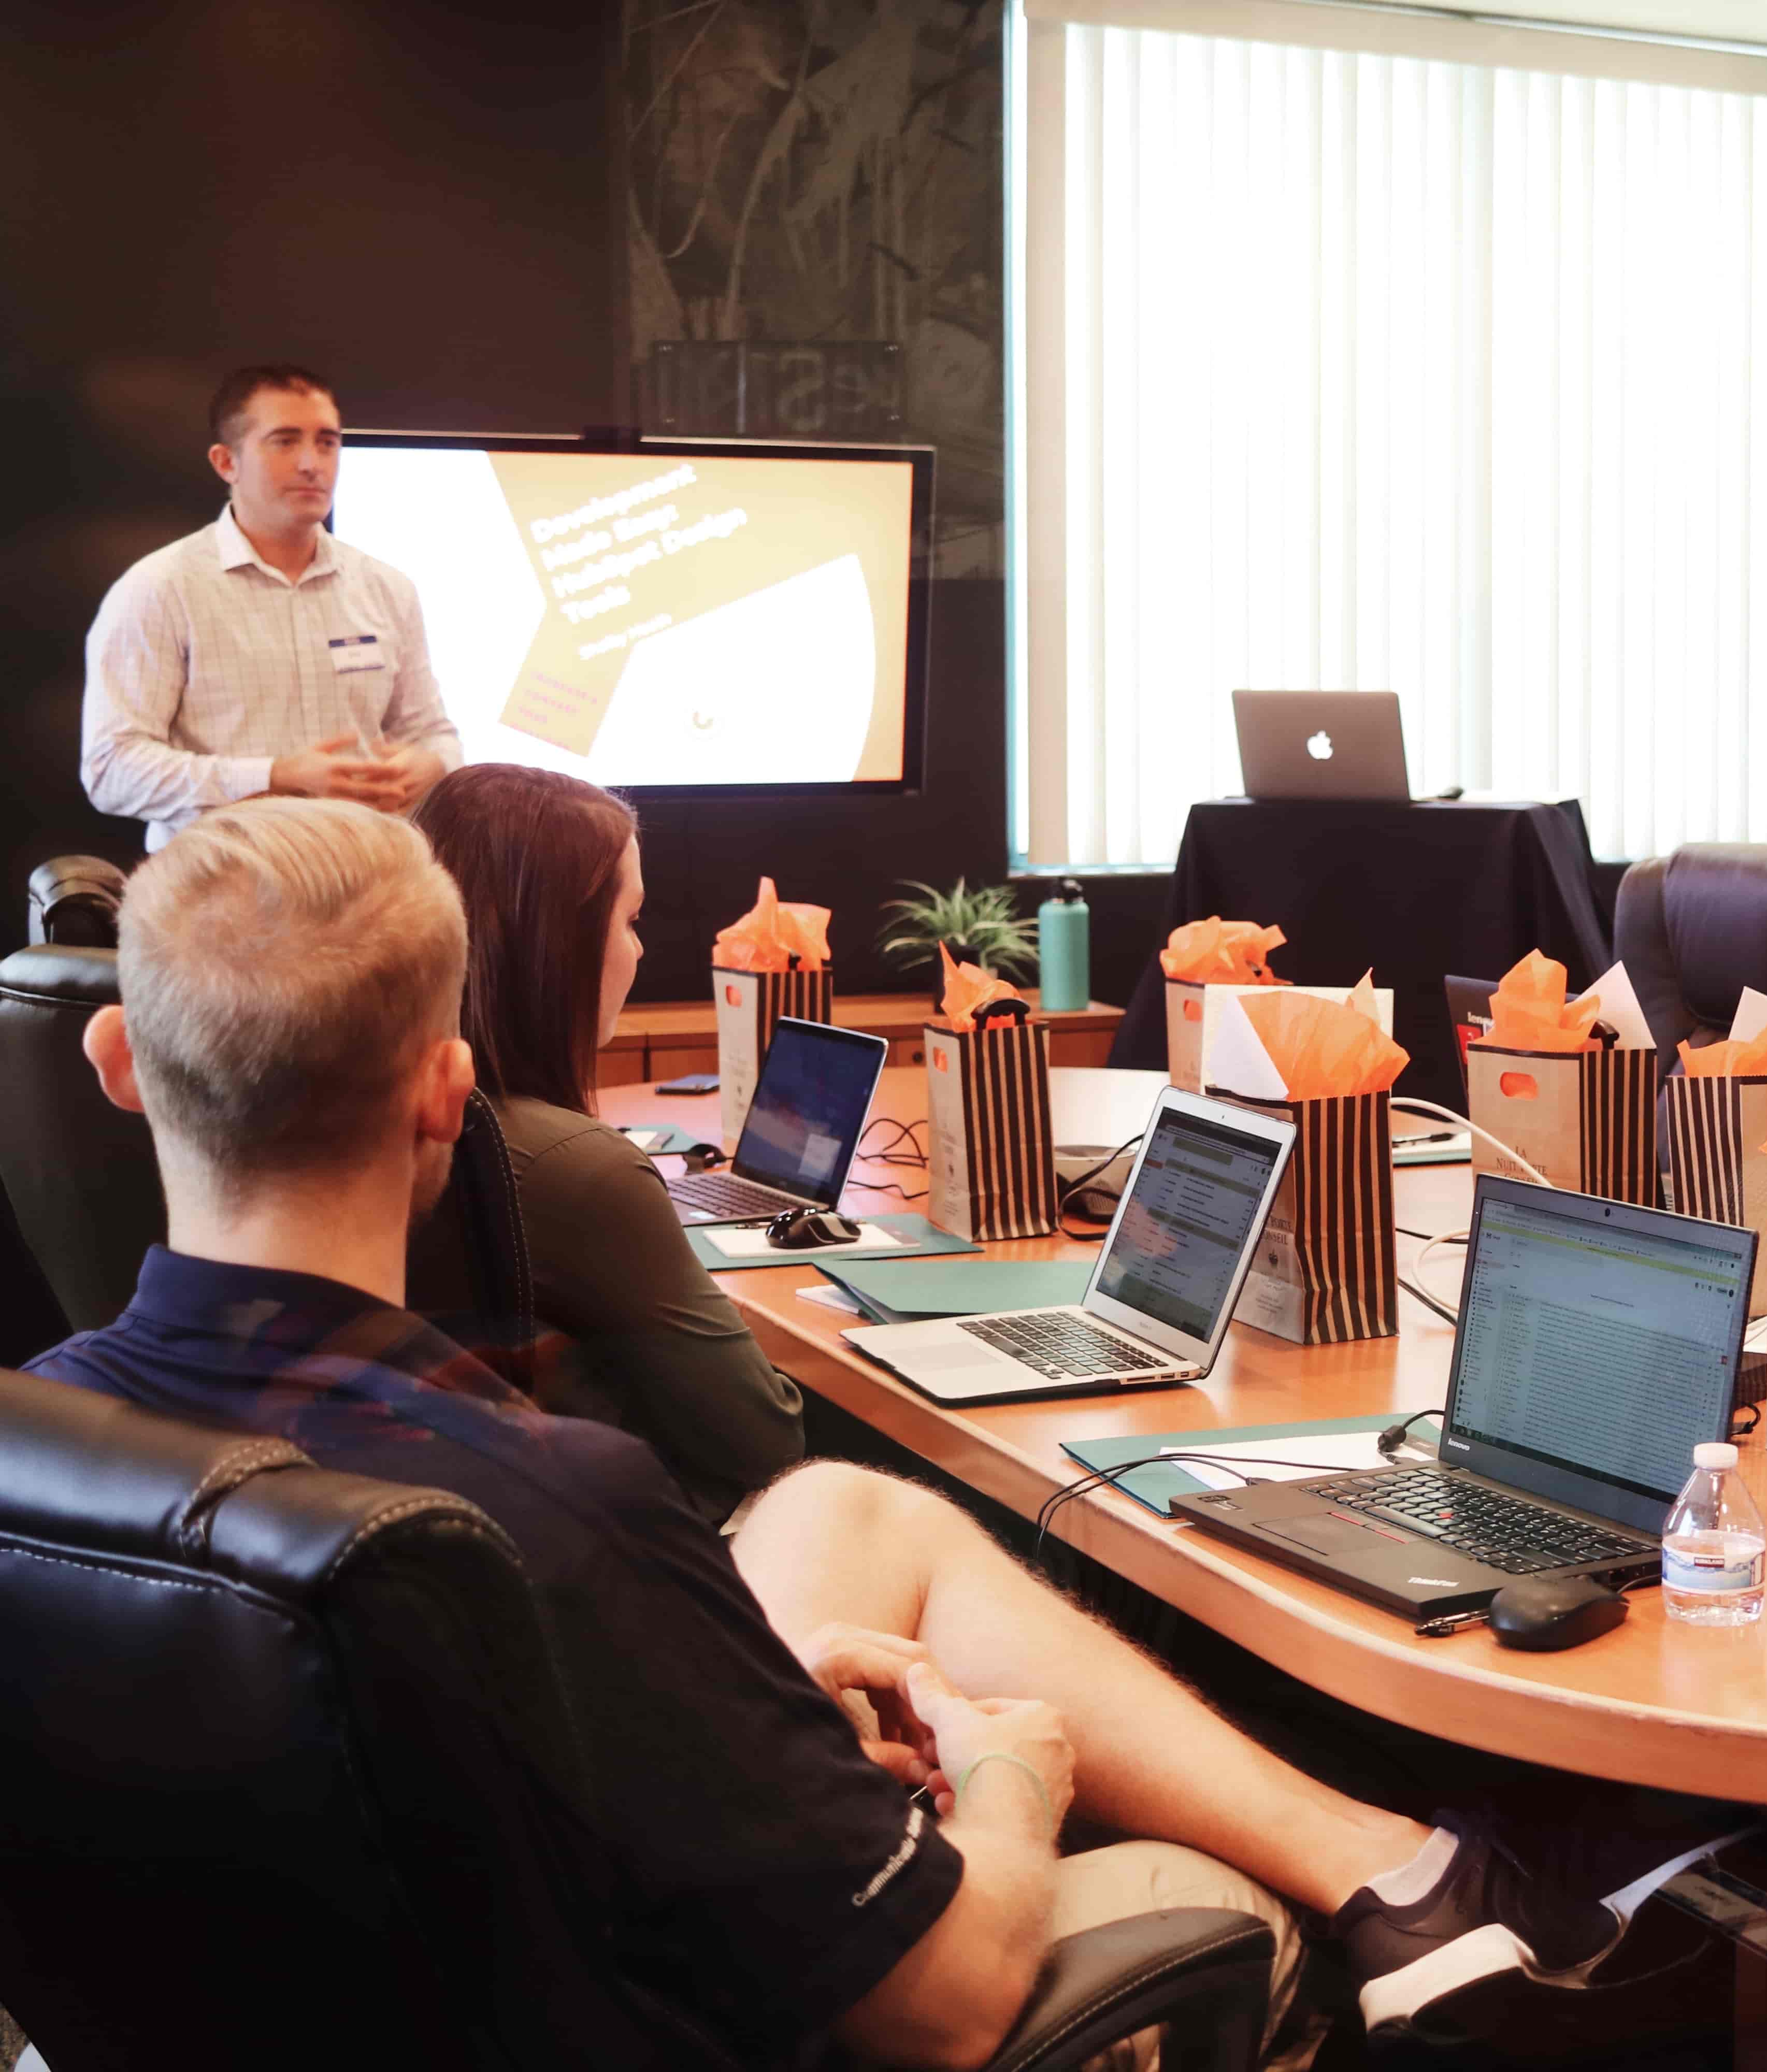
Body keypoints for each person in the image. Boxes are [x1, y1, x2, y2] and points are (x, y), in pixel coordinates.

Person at [32, 798, 1626, 2067]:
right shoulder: (549, 1508)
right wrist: (1010, 1773)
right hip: (725, 2014)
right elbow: (930, 2007)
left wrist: (742, 1709)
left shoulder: (47, 1446)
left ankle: (1401, 1863)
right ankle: (1390, 1889)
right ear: (446, 1092)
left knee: (842, 1509)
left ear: (117, 1064)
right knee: (1209, 1908)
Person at [409, 762, 801, 1523]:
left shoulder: (378, 1115)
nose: (641, 952)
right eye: (630, 921)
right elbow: (766, 1441)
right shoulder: (577, 1169)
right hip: (633, 1551)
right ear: (556, 945)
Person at [79, 363, 459, 850]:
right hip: (222, 890)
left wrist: (431, 764)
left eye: (327, 442)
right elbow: (111, 769)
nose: (312, 463)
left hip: (371, 880)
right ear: (226, 463)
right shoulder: (160, 589)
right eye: (285, 441)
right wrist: (276, 777)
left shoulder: (387, 587)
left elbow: (436, 735)